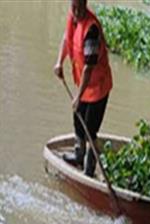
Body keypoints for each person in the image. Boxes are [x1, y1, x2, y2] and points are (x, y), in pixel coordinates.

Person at [53, 0, 113, 177]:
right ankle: (79, 155)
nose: (76, 11)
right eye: (73, 7)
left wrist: (78, 97)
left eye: (79, 8)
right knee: (78, 121)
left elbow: (88, 67)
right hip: (84, 86)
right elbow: (67, 38)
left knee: (90, 129)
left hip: (98, 87)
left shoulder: (91, 30)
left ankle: (89, 167)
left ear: (85, 4)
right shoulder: (72, 18)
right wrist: (59, 62)